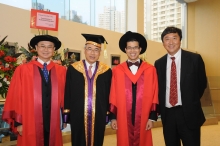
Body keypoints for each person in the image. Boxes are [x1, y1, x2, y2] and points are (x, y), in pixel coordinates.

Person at [2, 35, 66, 146]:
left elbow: (65, 96)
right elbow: (16, 96)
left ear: (54, 50)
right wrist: (18, 122)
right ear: (36, 48)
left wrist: (64, 119)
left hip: (54, 121)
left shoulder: (61, 71)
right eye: (42, 46)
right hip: (29, 121)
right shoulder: (23, 70)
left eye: (49, 47)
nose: (46, 50)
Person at [154, 26, 207, 146]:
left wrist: (190, 100)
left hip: (188, 112)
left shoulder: (194, 59)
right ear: (163, 43)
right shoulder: (159, 63)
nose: (171, 42)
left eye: (174, 38)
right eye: (167, 39)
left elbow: (201, 84)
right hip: (168, 115)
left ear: (180, 40)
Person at [109, 31, 159, 146]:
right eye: (129, 48)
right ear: (125, 49)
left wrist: (152, 118)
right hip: (122, 116)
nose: (132, 51)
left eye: (135, 47)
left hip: (144, 117)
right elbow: (113, 94)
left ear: (140, 49)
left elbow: (155, 93)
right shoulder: (117, 70)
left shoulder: (150, 70)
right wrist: (113, 117)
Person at [63, 34, 112, 146]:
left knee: (97, 140)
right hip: (78, 114)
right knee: (78, 140)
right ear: (84, 50)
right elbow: (68, 92)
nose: (92, 53)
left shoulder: (106, 71)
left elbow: (109, 94)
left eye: (96, 50)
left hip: (98, 114)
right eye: (89, 49)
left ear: (100, 53)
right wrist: (66, 114)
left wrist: (108, 113)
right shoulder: (73, 69)